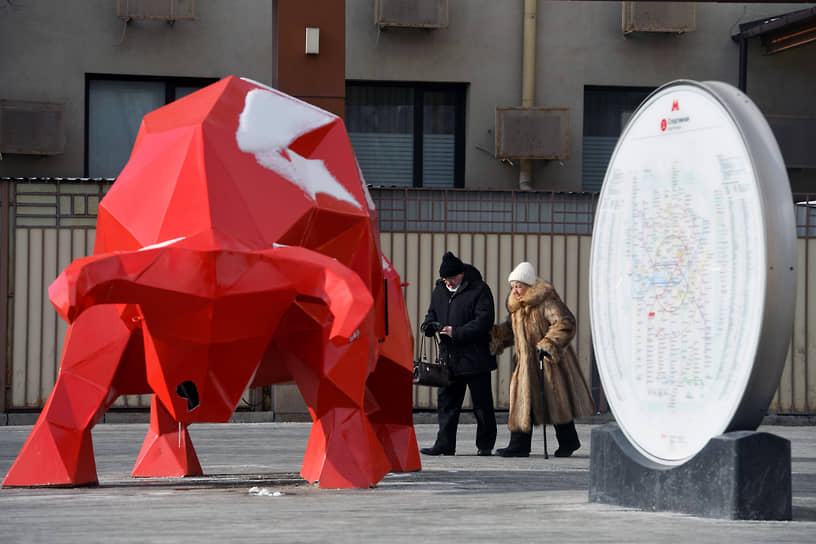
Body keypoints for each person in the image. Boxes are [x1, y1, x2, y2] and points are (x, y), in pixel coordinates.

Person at [490, 262, 595, 457]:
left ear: (529, 285)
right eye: (512, 286)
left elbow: (565, 322)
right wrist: (496, 337)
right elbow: (513, 332)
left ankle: (569, 441)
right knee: (523, 401)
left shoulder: (546, 301)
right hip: (525, 363)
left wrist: (548, 344)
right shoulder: (518, 308)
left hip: (547, 362)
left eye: (519, 286)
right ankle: (519, 445)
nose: (515, 291)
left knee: (555, 401)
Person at [419, 251, 497, 456]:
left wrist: (457, 332)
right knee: (446, 404)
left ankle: (485, 445)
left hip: (475, 357)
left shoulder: (479, 289)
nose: (449, 282)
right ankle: (444, 444)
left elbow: (484, 321)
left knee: (482, 405)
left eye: (453, 278)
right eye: (446, 279)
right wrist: (428, 326)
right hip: (449, 359)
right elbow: (431, 313)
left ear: (462, 274)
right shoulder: (439, 291)